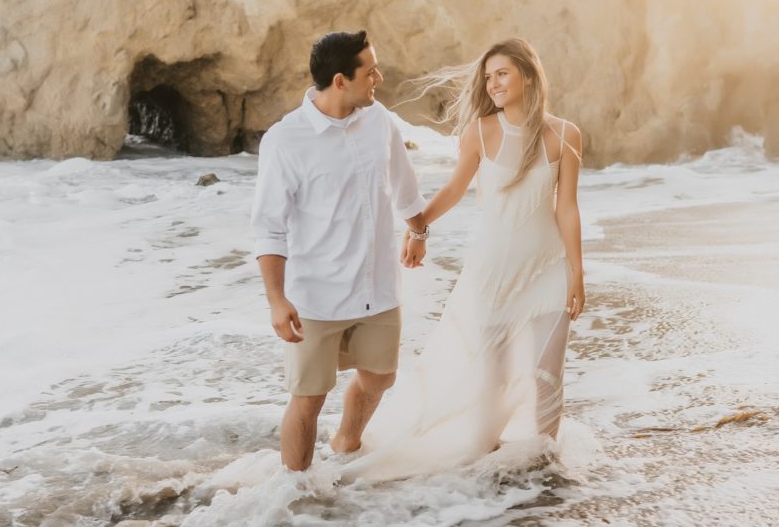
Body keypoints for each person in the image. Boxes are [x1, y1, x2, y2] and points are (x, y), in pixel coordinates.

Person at [342, 37, 585, 482]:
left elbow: (566, 208)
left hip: (547, 269)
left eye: (502, 74)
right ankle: (485, 468)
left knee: (548, 375)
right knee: (491, 379)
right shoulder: (480, 131)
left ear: (528, 77)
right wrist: (418, 227)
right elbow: (454, 189)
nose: (493, 84)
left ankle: (548, 468)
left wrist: (577, 272)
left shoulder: (566, 135)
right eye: (488, 77)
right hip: (491, 274)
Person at [250, 30, 429, 472]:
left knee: (381, 378)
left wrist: (418, 232)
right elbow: (268, 228)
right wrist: (277, 301)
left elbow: (404, 186)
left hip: (378, 285)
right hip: (317, 296)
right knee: (308, 399)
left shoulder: (380, 120)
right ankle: (294, 493)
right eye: (370, 71)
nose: (379, 78)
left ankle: (346, 441)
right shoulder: (285, 140)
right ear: (340, 80)